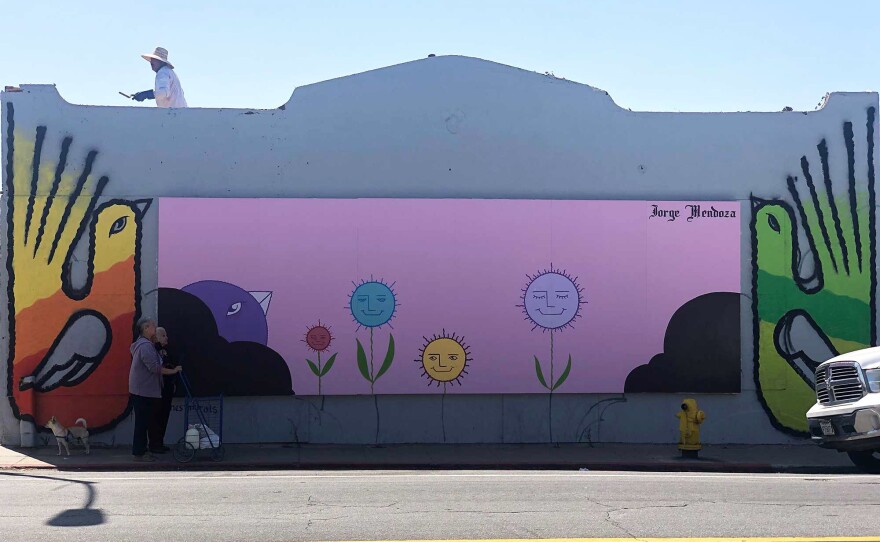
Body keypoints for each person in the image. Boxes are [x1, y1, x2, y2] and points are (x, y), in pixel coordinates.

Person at [129, 318, 181, 461]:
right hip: (143, 391)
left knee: (144, 422)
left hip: (143, 390)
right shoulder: (145, 346)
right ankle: (139, 452)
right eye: (153, 327)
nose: (155, 329)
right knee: (142, 423)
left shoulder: (145, 345)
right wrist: (174, 371)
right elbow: (155, 368)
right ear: (146, 328)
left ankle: (142, 450)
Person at [148, 327, 180, 454]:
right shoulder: (153, 349)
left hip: (168, 387)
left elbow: (172, 361)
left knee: (164, 415)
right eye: (163, 335)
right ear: (156, 337)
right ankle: (154, 443)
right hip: (157, 388)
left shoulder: (167, 350)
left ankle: (160, 442)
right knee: (156, 416)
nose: (166, 338)